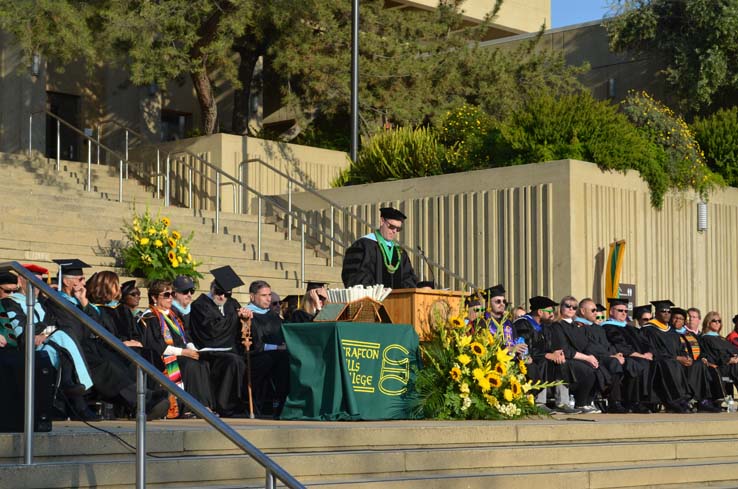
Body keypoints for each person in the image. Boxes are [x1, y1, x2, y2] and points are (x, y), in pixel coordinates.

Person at [44, 259, 169, 420]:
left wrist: (83, 301)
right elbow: (75, 330)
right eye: (80, 279)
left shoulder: (80, 301)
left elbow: (98, 325)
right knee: (107, 366)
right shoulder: (56, 302)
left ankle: (146, 398)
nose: (84, 283)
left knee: (125, 358)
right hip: (74, 348)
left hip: (90, 345)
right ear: (67, 281)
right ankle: (142, 402)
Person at [1, 267, 96, 419]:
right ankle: (79, 396)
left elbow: (57, 326)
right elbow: (23, 334)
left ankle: (74, 397)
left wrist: (44, 333)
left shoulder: (42, 304)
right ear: (20, 280)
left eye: (41, 281)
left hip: (48, 347)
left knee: (63, 340)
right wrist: (46, 332)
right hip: (25, 352)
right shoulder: (10, 303)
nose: (38, 285)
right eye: (33, 281)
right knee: (63, 338)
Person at [139, 280, 214, 418]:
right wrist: (184, 352)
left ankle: (203, 406)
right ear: (154, 298)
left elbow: (185, 337)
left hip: (182, 354)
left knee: (202, 364)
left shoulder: (173, 315)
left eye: (172, 294)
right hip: (164, 357)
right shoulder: (150, 317)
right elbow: (157, 346)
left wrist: (192, 349)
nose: (170, 298)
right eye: (166, 295)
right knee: (190, 365)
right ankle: (188, 408)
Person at [189, 266, 249, 417]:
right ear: (212, 288)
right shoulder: (200, 305)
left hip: (229, 349)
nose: (222, 297)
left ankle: (235, 405)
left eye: (226, 294)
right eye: (219, 292)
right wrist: (236, 317)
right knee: (234, 361)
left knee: (240, 360)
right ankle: (225, 406)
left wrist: (246, 317)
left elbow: (239, 327)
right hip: (208, 351)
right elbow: (213, 331)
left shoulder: (232, 303)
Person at [513, 296, 574, 414]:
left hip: (540, 357)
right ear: (540, 312)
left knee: (561, 361)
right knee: (543, 361)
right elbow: (524, 349)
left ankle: (562, 403)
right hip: (526, 359)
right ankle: (539, 403)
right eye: (550, 311)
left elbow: (548, 347)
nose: (552, 314)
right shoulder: (523, 324)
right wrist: (546, 355)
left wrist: (556, 353)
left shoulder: (545, 326)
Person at [341, 207, 418, 289]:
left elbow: (408, 278)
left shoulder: (400, 252)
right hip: (373, 299)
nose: (394, 231)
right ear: (382, 221)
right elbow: (354, 276)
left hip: (396, 301)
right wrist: (377, 290)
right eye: (391, 226)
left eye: (398, 229)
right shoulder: (363, 245)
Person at [600, 298, 654, 413]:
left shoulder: (631, 328)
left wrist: (649, 353)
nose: (624, 313)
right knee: (637, 363)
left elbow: (646, 343)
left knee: (655, 363)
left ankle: (647, 401)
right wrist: (641, 356)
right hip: (624, 356)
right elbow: (620, 346)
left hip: (639, 356)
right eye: (620, 310)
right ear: (611, 312)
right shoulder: (608, 327)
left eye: (625, 311)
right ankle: (633, 401)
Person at [246, 280, 290, 417]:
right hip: (255, 356)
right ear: (252, 297)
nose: (269, 299)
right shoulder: (247, 315)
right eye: (264, 295)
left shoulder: (272, 315)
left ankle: (284, 404)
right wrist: (278, 348)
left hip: (276, 354)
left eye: (269, 295)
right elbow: (256, 345)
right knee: (279, 358)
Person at [640, 300, 693, 413]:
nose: (666, 314)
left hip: (674, 361)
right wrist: (676, 358)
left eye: (669, 312)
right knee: (670, 363)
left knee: (698, 365)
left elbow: (680, 349)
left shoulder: (672, 331)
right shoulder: (648, 329)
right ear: (656, 313)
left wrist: (686, 357)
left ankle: (698, 400)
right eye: (663, 311)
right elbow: (652, 351)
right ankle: (674, 401)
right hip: (658, 361)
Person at [551, 296, 602, 414]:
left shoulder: (577, 326)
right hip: (565, 358)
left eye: (574, 307)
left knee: (597, 369)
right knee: (587, 370)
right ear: (561, 307)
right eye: (567, 306)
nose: (571, 309)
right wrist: (587, 358)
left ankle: (586, 402)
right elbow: (564, 349)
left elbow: (584, 345)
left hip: (577, 357)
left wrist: (591, 357)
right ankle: (580, 403)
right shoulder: (557, 326)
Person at [671, 307, 722, 412]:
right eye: (675, 318)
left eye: (681, 319)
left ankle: (706, 400)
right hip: (678, 363)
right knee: (698, 366)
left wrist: (703, 357)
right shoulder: (670, 333)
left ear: (684, 321)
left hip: (694, 362)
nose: (678, 321)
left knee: (702, 365)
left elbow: (701, 349)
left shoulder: (691, 334)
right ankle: (698, 400)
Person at [700, 311, 738, 387]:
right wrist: (729, 360)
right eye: (714, 321)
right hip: (721, 367)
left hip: (732, 365)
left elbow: (733, 350)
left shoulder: (722, 338)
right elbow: (713, 356)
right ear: (708, 322)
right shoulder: (706, 338)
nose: (717, 323)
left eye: (719, 321)